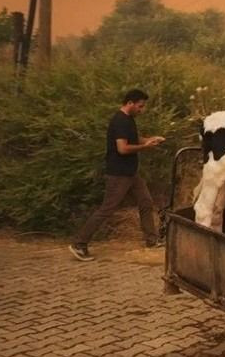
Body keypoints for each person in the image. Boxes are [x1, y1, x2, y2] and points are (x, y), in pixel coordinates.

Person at [69, 89, 166, 262]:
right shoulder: (120, 121)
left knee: (146, 203)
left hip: (131, 173)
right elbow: (122, 148)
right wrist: (145, 147)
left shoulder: (128, 120)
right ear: (130, 103)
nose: (141, 110)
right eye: (140, 106)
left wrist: (150, 139)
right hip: (119, 174)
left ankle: (152, 241)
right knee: (107, 209)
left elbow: (133, 138)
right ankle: (79, 243)